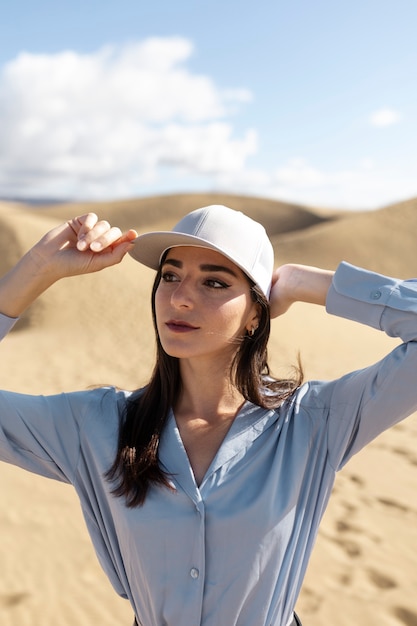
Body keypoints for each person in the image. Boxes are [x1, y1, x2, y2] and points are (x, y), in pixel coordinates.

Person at [0, 204, 416, 626]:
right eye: (170, 276)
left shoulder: (314, 420)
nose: (179, 298)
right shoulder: (97, 424)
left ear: (256, 313)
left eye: (214, 282)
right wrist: (36, 269)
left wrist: (303, 284)